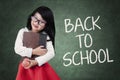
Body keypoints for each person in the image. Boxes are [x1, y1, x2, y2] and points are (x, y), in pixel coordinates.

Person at [14, 6, 60, 80]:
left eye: (42, 22)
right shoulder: (23, 31)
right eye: (35, 18)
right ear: (31, 17)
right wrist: (33, 51)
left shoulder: (45, 36)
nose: (36, 23)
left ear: (46, 25)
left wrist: (35, 62)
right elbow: (17, 49)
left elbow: (51, 53)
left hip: (40, 68)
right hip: (25, 67)